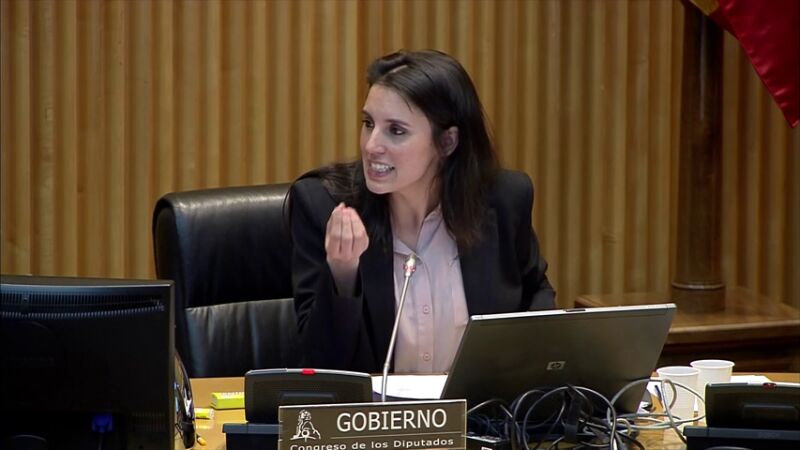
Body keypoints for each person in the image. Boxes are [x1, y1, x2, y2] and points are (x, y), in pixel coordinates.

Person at [289, 49, 554, 374]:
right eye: (368, 123)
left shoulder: (502, 201)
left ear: (447, 142)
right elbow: (321, 366)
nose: (371, 145)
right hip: (377, 407)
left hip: (480, 406)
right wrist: (343, 274)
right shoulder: (324, 206)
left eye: (396, 130)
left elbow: (535, 297)